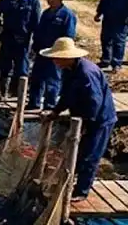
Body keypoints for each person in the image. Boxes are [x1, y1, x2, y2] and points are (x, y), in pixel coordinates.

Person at [43, 38, 117, 203]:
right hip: (81, 117)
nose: (54, 61)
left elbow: (94, 102)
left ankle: (81, 192)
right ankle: (69, 184)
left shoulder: (86, 73)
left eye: (57, 57)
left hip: (99, 120)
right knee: (76, 154)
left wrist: (85, 124)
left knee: (90, 155)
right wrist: (56, 111)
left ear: (67, 57)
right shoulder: (68, 70)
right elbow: (66, 95)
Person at [0, 0, 41, 97]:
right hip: (8, 39)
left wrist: (35, 40)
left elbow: (36, 21)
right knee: (5, 67)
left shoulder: (32, 1)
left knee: (22, 69)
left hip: (24, 41)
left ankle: (18, 95)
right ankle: (3, 93)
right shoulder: (5, 1)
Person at [28, 0, 77, 110]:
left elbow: (69, 36)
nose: (51, 0)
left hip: (57, 54)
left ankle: (50, 106)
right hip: (42, 51)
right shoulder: (45, 13)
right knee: (36, 78)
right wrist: (35, 46)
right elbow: (38, 31)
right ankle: (34, 103)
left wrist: (62, 52)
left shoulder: (67, 15)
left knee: (53, 80)